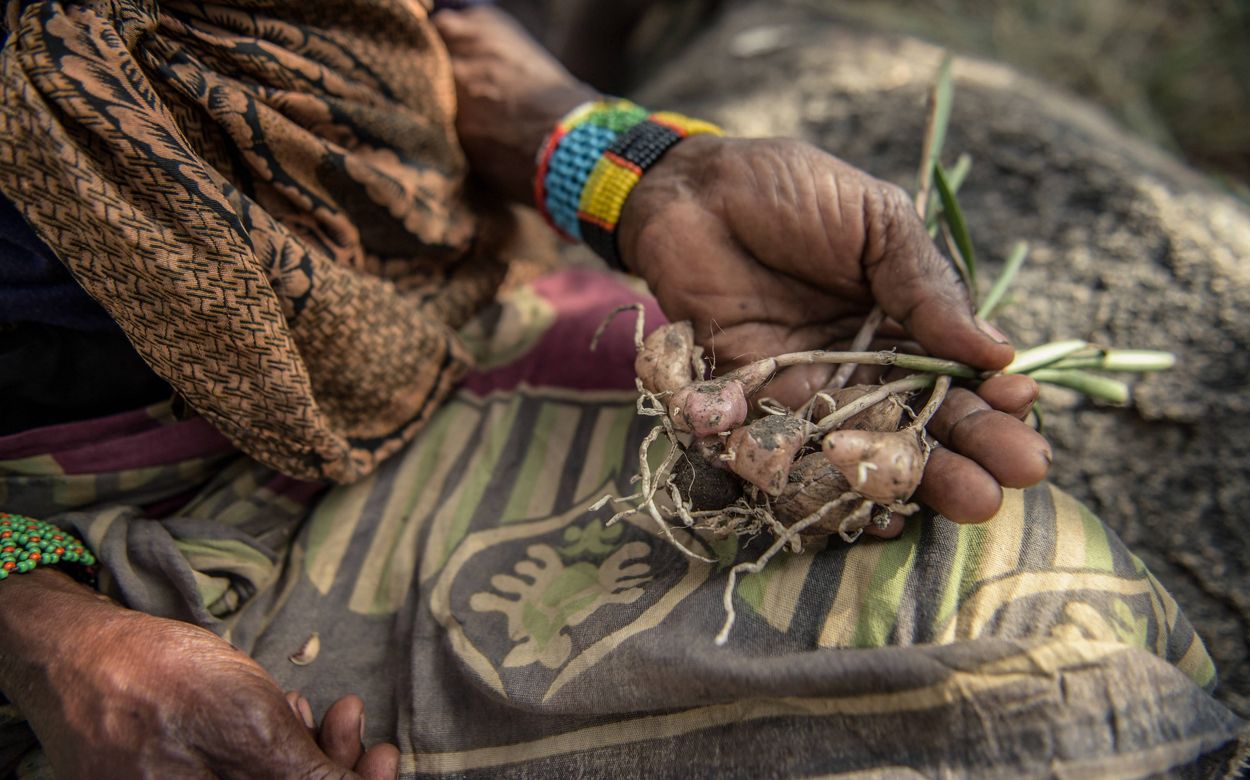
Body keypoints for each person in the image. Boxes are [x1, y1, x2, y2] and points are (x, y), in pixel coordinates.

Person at [0, 1, 1240, 777]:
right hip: (89, 538)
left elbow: (431, 38)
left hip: (453, 330)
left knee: (1057, 672)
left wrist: (645, 180)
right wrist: (54, 642)